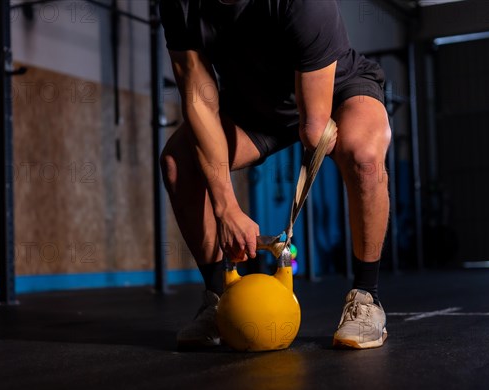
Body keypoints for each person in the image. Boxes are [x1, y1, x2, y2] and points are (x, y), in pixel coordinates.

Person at [159, 0, 391, 350]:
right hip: (253, 104)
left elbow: (314, 129)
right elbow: (197, 97)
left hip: (335, 88)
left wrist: (289, 225)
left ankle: (366, 297)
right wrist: (226, 207)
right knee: (178, 163)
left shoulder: (305, 4)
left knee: (364, 156)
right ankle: (218, 300)